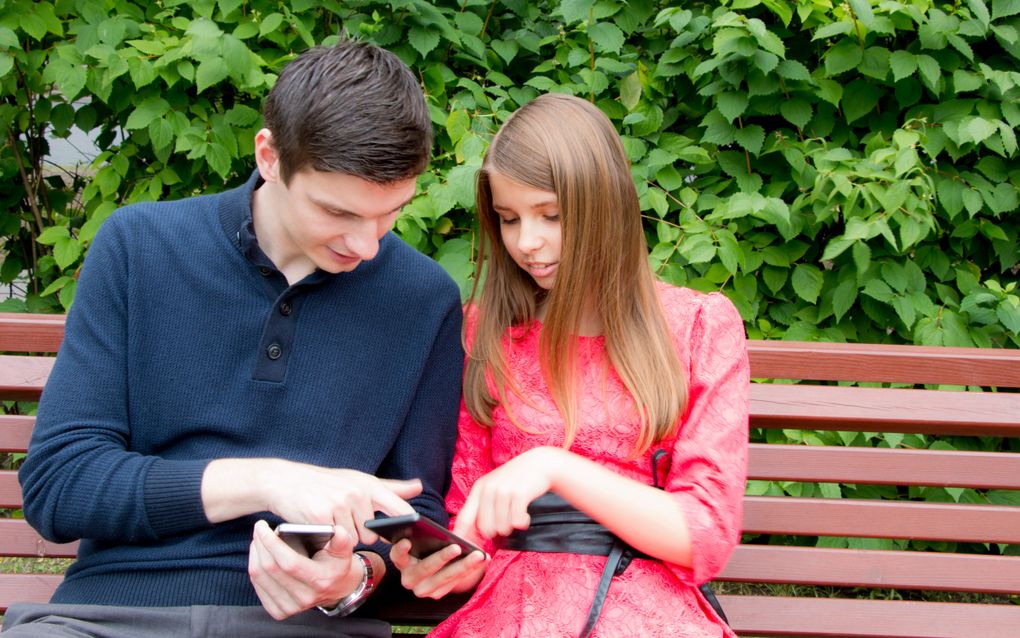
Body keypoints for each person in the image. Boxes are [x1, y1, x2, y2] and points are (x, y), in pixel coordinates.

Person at [6, 40, 464, 637]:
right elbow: (60, 484)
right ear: (270, 156)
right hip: (112, 616)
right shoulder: (140, 248)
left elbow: (414, 517)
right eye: (336, 213)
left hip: (310, 627)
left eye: (390, 213)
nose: (367, 245)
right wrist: (265, 480)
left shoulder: (422, 299)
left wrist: (353, 578)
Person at [391, 93, 750, 638]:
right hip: (513, 611)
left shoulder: (699, 326)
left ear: (604, 205)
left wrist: (554, 468)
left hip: (645, 604)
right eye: (509, 220)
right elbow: (470, 519)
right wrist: (445, 564)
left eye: (551, 215)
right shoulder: (486, 331)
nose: (527, 243)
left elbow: (705, 534)